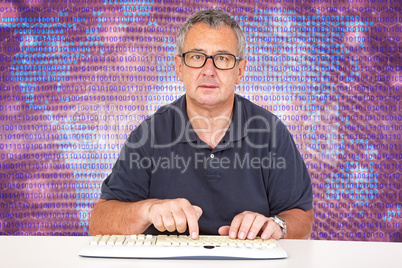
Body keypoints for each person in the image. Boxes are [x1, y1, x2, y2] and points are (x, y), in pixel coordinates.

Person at [89, 9, 313, 241]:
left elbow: (302, 216)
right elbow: (99, 221)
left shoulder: (271, 132)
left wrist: (277, 225)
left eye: (222, 58)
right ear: (179, 67)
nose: (209, 71)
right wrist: (147, 210)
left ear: (240, 70)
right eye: (197, 57)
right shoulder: (149, 134)